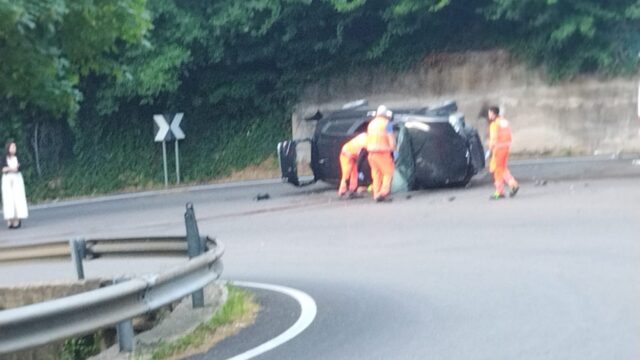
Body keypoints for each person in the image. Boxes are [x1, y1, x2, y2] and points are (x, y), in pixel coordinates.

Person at [487, 106, 519, 200]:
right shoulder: (504, 122)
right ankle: (511, 185)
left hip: (498, 150)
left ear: (493, 114)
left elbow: (494, 138)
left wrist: (490, 150)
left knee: (497, 170)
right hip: (505, 148)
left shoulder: (494, 125)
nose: (489, 115)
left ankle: (501, 191)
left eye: (489, 113)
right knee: (502, 168)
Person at [366, 105, 395, 202]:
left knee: (376, 175)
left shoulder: (371, 124)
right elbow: (391, 139)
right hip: (383, 153)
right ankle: (383, 193)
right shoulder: (388, 124)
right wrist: (394, 150)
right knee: (388, 172)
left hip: (371, 154)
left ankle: (376, 194)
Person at [2, 141, 28, 228]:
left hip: (17, 179)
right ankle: (10, 220)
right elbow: (3, 169)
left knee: (18, 198)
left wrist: (11, 169)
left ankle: (17, 219)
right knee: (8, 199)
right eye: (12, 147)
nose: (14, 149)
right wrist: (12, 169)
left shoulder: (18, 157)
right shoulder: (4, 158)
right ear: (8, 148)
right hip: (7, 180)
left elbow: (19, 168)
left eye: (15, 147)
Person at [338, 132, 368, 198]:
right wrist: (359, 170)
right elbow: (361, 159)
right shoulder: (365, 143)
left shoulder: (365, 137)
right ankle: (342, 191)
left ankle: (352, 190)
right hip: (346, 155)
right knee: (347, 173)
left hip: (351, 155)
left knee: (354, 174)